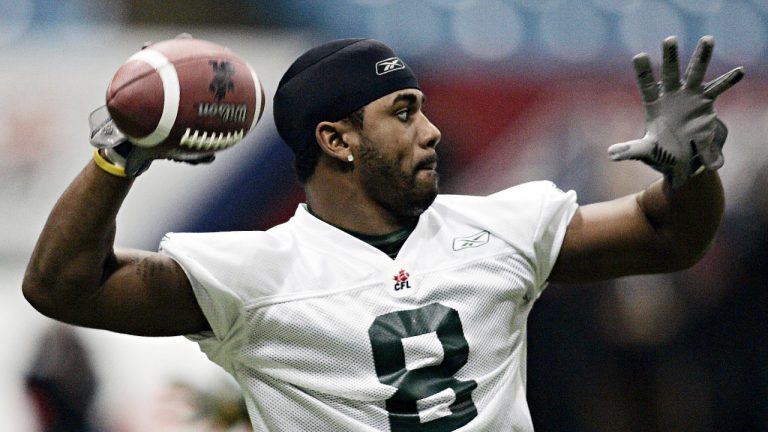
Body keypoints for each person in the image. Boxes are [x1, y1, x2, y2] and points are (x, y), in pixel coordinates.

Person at [22, 36, 743, 431]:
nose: (431, 131)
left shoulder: (501, 225)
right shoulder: (255, 271)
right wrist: (119, 156)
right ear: (337, 140)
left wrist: (692, 171)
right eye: (403, 112)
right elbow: (59, 286)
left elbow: (668, 236)